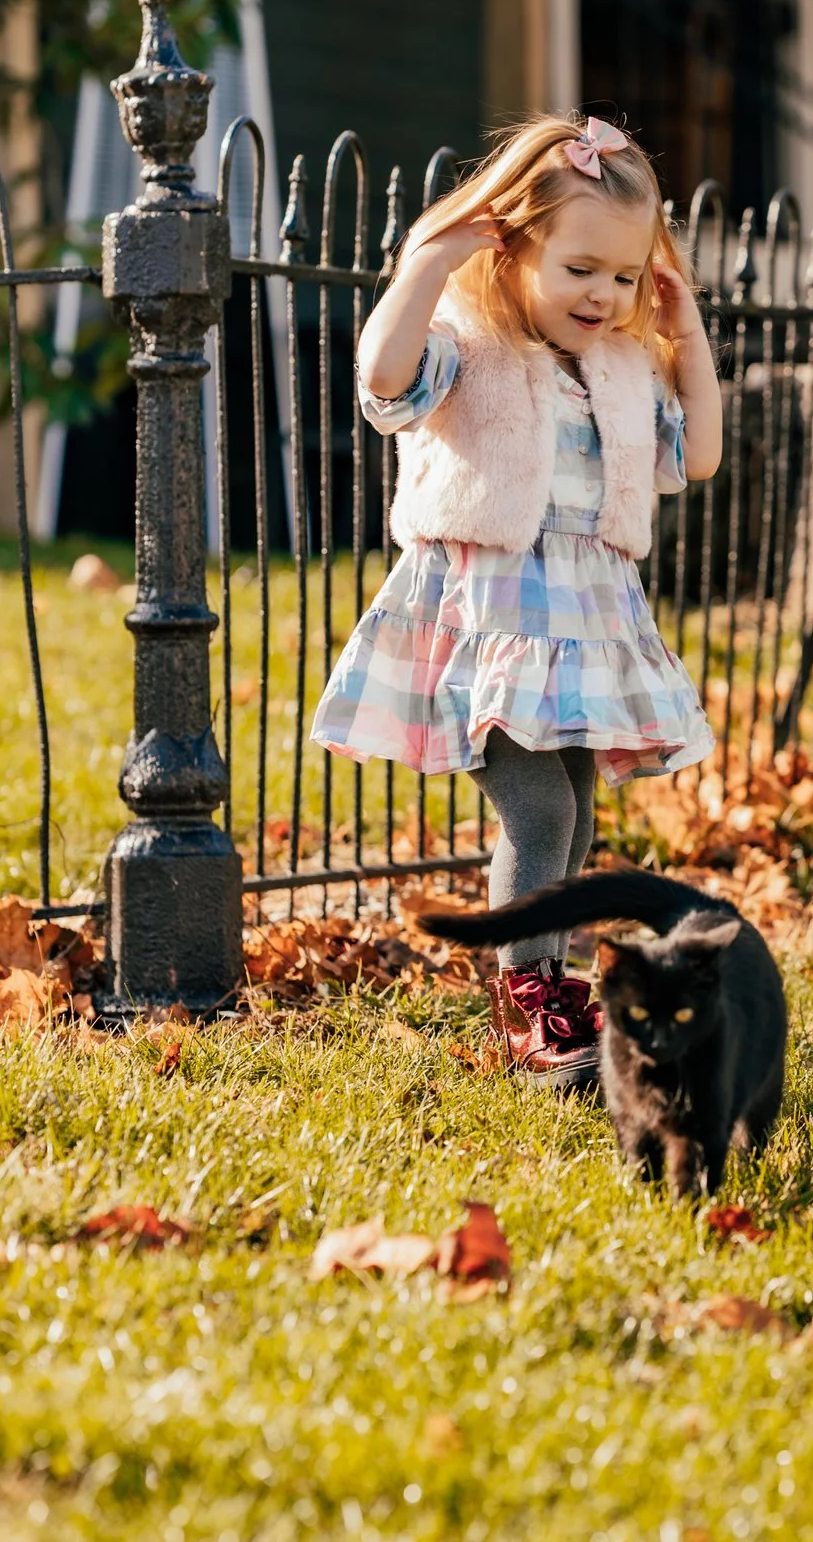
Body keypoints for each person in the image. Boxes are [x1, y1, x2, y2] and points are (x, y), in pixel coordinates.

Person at [313, 114, 720, 1092]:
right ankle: (528, 996)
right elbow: (382, 377)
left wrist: (685, 333)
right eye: (581, 267)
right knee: (537, 810)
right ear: (515, 245)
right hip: (494, 621)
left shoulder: (619, 372)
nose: (605, 294)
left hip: (584, 628)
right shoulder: (470, 344)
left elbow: (694, 456)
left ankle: (560, 983)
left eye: (624, 277)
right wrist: (425, 259)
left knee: (573, 815)